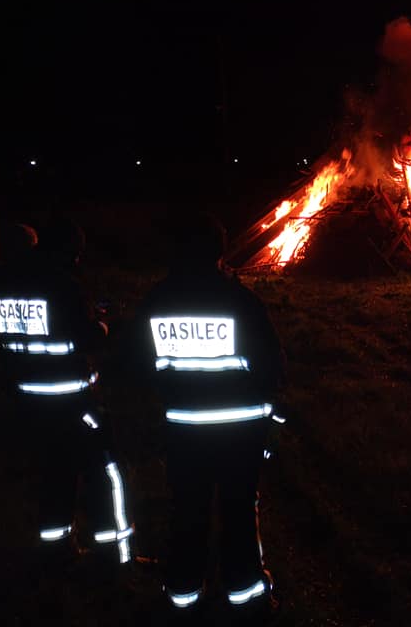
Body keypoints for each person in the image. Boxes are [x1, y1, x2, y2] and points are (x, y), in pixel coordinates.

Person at [128, 211, 285, 622]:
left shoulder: (157, 301)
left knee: (188, 510)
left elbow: (138, 365)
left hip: (183, 431)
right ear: (220, 251)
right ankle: (246, 595)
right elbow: (271, 366)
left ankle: (182, 594)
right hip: (240, 433)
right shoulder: (240, 301)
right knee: (238, 510)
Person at [0, 218, 133, 575]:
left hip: (28, 400)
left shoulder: (4, 287)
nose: (79, 261)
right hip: (71, 400)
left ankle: (56, 548)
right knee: (104, 472)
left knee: (53, 473)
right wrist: (103, 325)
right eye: (76, 254)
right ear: (64, 251)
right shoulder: (63, 287)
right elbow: (84, 339)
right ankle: (112, 554)